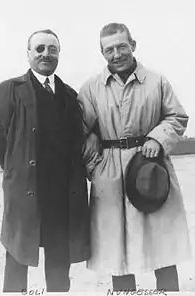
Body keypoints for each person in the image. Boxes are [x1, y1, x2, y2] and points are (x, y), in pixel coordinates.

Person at [78, 23, 191, 292]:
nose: (116, 54)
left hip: (151, 168)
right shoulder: (91, 88)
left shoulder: (157, 81)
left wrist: (158, 138)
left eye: (121, 46)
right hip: (110, 173)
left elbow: (177, 117)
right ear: (102, 52)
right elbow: (77, 131)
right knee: (117, 250)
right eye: (109, 49)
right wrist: (94, 166)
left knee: (161, 245)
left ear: (133, 45)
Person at [0, 29, 90, 293]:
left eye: (52, 49)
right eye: (39, 48)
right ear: (28, 54)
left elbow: (77, 140)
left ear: (59, 54)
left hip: (62, 195)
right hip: (25, 192)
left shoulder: (69, 95)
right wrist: (15, 166)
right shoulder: (9, 90)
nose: (46, 54)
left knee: (59, 262)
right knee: (18, 258)